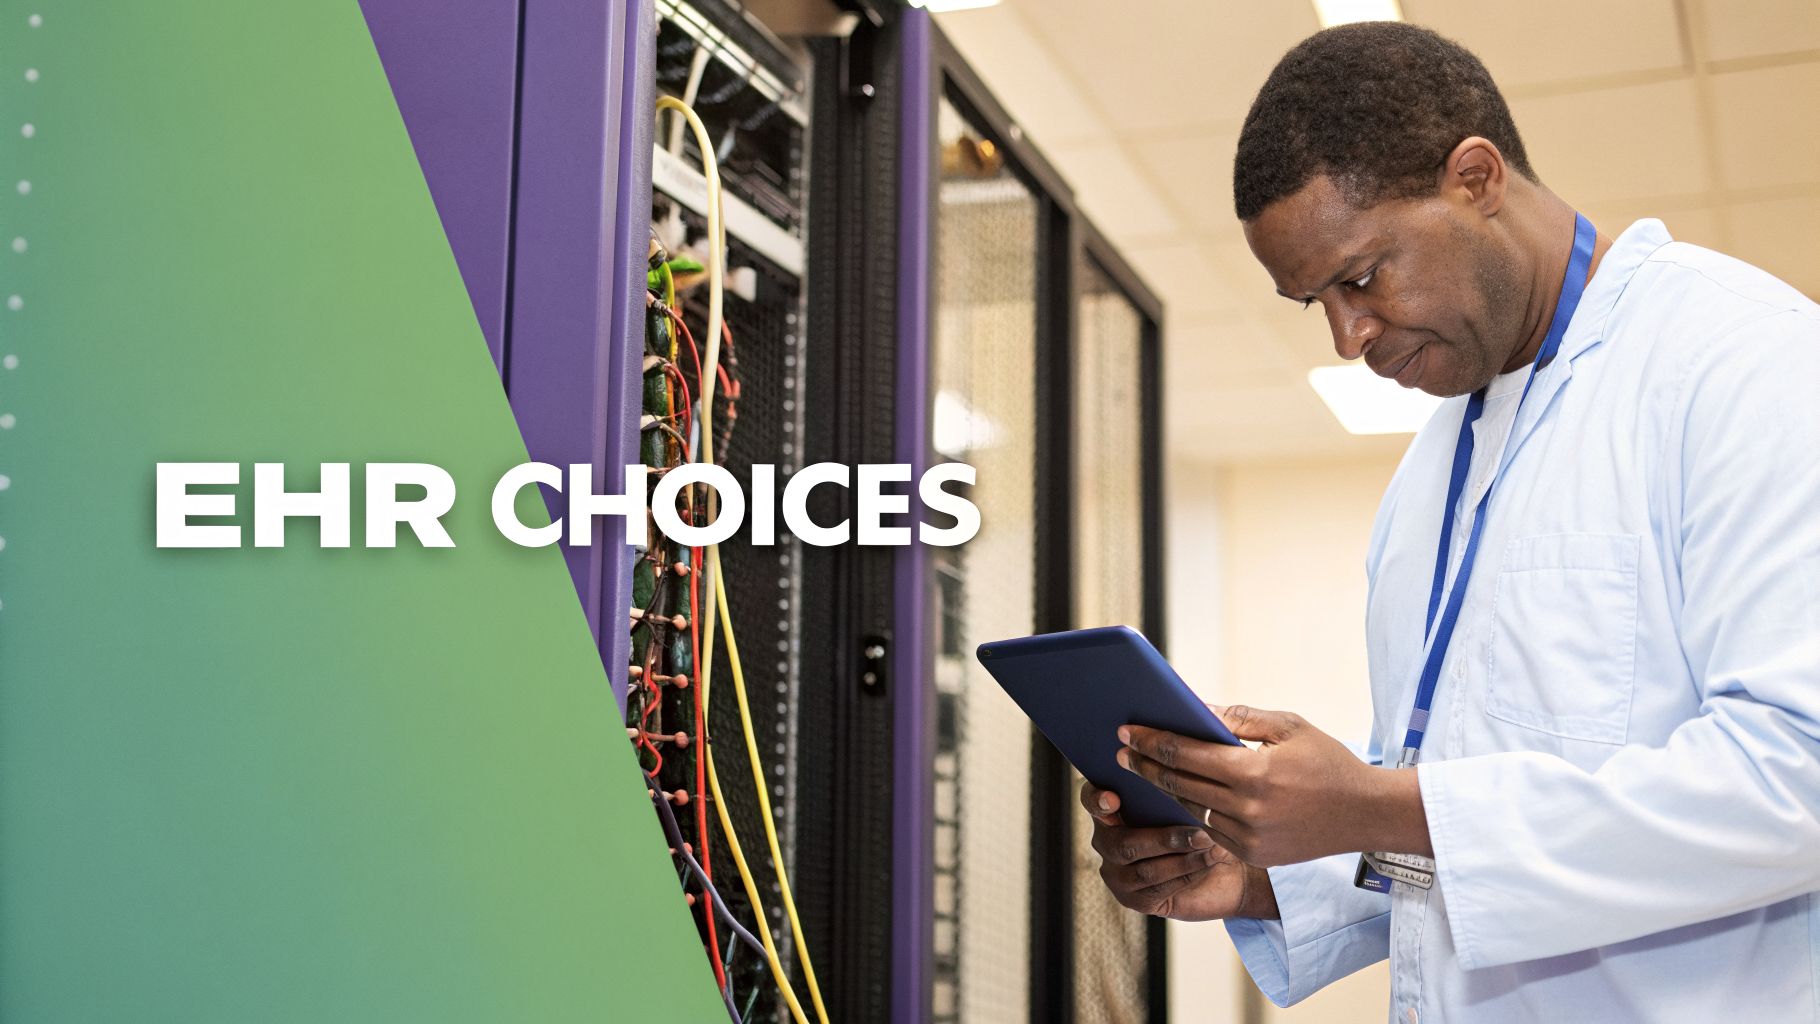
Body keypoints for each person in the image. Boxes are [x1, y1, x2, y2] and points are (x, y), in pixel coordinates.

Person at [1081, 21, 1820, 1022]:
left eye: (1358, 276)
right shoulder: (1430, 470)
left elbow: (1795, 777)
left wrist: (1371, 802)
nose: (1349, 335)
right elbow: (1466, 861)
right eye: (1316, 304)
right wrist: (1262, 873)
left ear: (1474, 178)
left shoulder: (1741, 364)